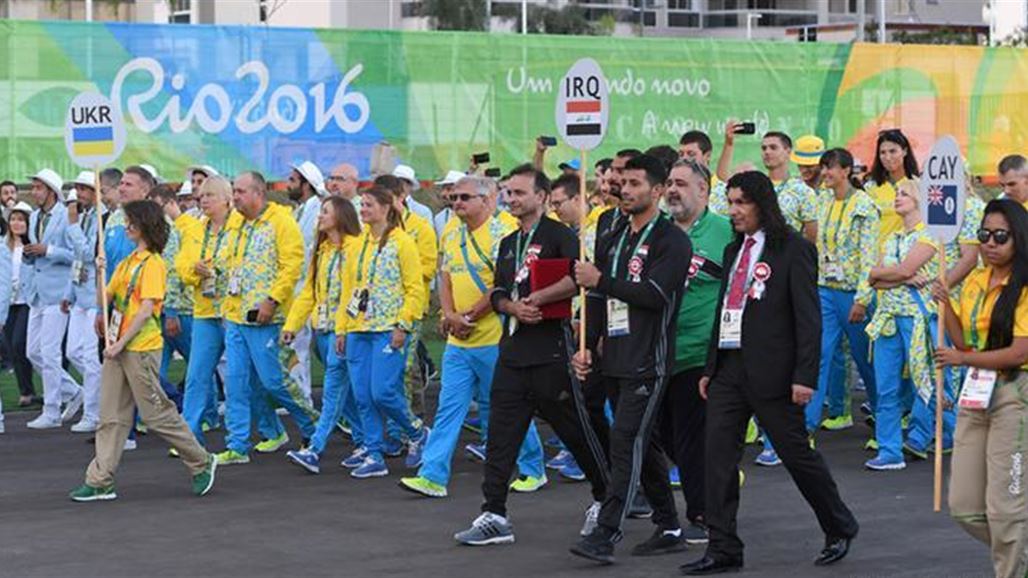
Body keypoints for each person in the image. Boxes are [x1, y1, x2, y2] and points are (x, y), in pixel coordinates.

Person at [681, 171, 858, 575]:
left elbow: (808, 318)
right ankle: (723, 547)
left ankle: (839, 525)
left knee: (796, 455)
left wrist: (804, 376)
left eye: (741, 202)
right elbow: (724, 310)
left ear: (762, 204)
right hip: (729, 368)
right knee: (718, 458)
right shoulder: (732, 250)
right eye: (730, 202)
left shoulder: (793, 249)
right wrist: (712, 365)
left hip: (775, 373)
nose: (733, 211)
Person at [453, 164, 608, 546]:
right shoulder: (507, 243)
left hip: (551, 351)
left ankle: (608, 498)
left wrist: (538, 299)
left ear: (541, 196)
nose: (511, 199)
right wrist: (510, 307)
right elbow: (498, 292)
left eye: (519, 193)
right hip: (512, 352)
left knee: (575, 429)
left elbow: (578, 277)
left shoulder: (560, 236)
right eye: (508, 192)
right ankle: (494, 513)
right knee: (501, 433)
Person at [570, 154, 692, 563]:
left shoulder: (672, 240)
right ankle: (669, 524)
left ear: (657, 191)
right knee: (645, 442)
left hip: (648, 361)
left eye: (636, 183)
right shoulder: (614, 235)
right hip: (615, 358)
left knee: (625, 441)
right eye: (623, 182)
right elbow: (599, 299)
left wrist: (601, 280)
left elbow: (656, 296)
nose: (626, 189)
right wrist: (587, 344)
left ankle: (605, 533)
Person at [399, 175, 545, 497]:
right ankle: (433, 475)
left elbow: (501, 285)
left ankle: (533, 466)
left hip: (494, 338)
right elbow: (446, 277)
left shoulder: (504, 233)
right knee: (449, 408)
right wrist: (450, 315)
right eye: (454, 198)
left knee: (509, 406)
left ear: (486, 199)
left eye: (465, 197)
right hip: (459, 341)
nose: (457, 203)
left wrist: (468, 316)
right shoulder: (452, 232)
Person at [69, 200, 216, 502]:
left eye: (131, 221)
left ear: (144, 225)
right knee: (110, 415)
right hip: (118, 348)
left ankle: (201, 461)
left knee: (156, 413)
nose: (125, 225)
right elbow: (106, 297)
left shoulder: (153, 264)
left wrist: (120, 344)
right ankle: (100, 479)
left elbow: (147, 309)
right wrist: (100, 273)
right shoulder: (126, 263)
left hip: (140, 347)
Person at [936, 199, 1028, 578]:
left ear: (1019, 239)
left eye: (1000, 236)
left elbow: (1018, 352)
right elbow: (965, 342)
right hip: (976, 394)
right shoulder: (974, 280)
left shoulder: (1024, 287)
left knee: (1006, 509)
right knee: (964, 507)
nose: (990, 243)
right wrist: (946, 305)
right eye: (984, 235)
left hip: (1015, 394)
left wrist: (963, 360)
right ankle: (1017, 552)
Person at [215, 171, 318, 465]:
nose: (234, 197)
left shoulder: (281, 221)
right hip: (235, 315)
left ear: (259, 193)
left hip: (265, 319)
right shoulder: (235, 223)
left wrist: (272, 301)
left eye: (240, 191)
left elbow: (292, 265)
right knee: (235, 383)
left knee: (274, 381)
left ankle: (312, 424)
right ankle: (236, 444)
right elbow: (228, 259)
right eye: (234, 191)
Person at [662, 158, 735, 545]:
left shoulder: (725, 232)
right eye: (669, 183)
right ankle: (712, 484)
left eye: (682, 184)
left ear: (704, 191)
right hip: (658, 353)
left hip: (701, 355)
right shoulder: (658, 232)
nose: (672, 190)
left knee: (691, 440)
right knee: (663, 434)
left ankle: (703, 514)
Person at [335, 185, 429, 479]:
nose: (363, 210)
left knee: (383, 391)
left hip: (388, 328)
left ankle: (416, 431)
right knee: (362, 393)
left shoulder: (402, 242)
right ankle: (373, 452)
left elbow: (415, 289)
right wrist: (342, 328)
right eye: (361, 205)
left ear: (387, 208)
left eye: (369, 205)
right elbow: (348, 289)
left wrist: (403, 324)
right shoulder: (357, 243)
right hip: (359, 328)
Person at [864, 180, 953, 469]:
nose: (898, 197)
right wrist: (901, 276)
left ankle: (928, 435)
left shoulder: (929, 235)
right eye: (897, 193)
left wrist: (893, 274)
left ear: (919, 200)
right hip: (888, 317)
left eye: (905, 194)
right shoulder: (891, 239)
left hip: (917, 318)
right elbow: (872, 277)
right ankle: (890, 450)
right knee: (886, 387)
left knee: (924, 382)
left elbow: (899, 269)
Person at [176, 176, 266, 449]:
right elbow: (181, 265)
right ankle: (189, 436)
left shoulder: (241, 226)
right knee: (196, 375)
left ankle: (269, 427)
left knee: (248, 376)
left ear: (227, 199)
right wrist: (195, 270)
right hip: (205, 310)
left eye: (210, 195)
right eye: (201, 196)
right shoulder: (195, 229)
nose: (203, 200)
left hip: (235, 312)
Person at [803, 149, 879, 439]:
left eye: (831, 168)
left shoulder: (864, 206)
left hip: (852, 293)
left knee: (865, 360)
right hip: (824, 289)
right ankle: (806, 427)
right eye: (824, 168)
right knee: (819, 354)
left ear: (846, 170)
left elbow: (869, 256)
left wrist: (862, 298)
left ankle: (884, 420)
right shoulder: (821, 200)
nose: (825, 173)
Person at [284, 196, 364, 474]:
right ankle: (369, 441)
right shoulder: (323, 251)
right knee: (348, 394)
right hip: (326, 331)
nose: (319, 216)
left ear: (341, 216)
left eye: (325, 211)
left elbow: (354, 293)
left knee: (333, 391)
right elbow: (310, 292)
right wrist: (292, 325)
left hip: (346, 332)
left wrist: (343, 328)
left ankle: (315, 448)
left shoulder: (355, 249)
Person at [25, 168, 83, 430]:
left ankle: (51, 409)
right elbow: (36, 250)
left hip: (59, 292)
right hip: (37, 292)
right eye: (34, 187)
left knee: (49, 352)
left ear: (51, 191)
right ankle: (72, 392)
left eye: (38, 187)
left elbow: (77, 254)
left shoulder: (66, 216)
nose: (34, 191)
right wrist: (31, 253)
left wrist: (48, 250)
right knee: (32, 351)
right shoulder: (36, 216)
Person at [63, 171, 105, 433]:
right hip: (80, 294)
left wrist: (72, 225)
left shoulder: (98, 217)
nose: (79, 194)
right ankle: (95, 399)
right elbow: (77, 260)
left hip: (95, 296)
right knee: (73, 352)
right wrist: (69, 291)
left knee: (91, 357)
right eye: (78, 189)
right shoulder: (86, 216)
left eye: (84, 189)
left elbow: (89, 253)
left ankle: (93, 413)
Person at [148, 184, 197, 395]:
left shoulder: (188, 227)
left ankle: (208, 413)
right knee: (155, 366)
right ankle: (154, 412)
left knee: (197, 366)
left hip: (183, 308)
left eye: (158, 206)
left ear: (169, 203)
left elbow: (178, 271)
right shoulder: (165, 228)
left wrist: (173, 310)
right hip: (163, 306)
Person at [287, 161, 328, 408]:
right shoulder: (298, 211)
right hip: (297, 292)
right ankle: (299, 397)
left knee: (309, 349)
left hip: (309, 291)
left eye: (293, 180)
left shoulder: (316, 211)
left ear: (306, 185)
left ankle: (303, 400)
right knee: (297, 348)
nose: (288, 184)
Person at [866, 129, 919, 250]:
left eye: (893, 151)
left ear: (904, 151)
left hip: (908, 256)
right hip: (876, 257)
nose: (887, 157)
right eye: (882, 153)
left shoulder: (917, 185)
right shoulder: (871, 188)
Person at [5, 203, 36, 409]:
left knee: (19, 343)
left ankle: (31, 390)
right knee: (12, 347)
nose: (17, 223)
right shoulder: (2, 245)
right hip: (8, 302)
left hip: (27, 300)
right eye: (13, 219)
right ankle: (26, 391)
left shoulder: (32, 245)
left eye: (21, 219)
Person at [105, 166, 155, 279]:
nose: (121, 189)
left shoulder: (157, 220)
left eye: (128, 185)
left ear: (144, 191)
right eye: (121, 183)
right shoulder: (114, 218)